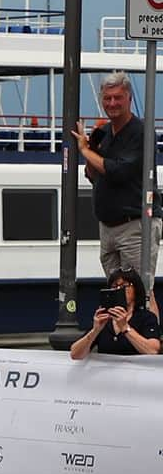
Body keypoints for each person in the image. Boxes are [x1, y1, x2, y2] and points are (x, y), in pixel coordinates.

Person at [70, 268, 163, 474]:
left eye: (125, 285)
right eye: (115, 286)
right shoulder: (104, 321)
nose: (121, 289)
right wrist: (96, 329)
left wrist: (126, 329)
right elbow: (76, 352)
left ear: (135, 290)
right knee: (113, 468)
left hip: (145, 404)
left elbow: (153, 349)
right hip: (113, 404)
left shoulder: (146, 319)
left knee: (148, 467)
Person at [73, 71, 162, 311]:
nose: (112, 103)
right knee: (116, 291)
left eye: (117, 98)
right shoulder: (105, 134)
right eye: (107, 98)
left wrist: (84, 150)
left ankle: (151, 342)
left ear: (129, 99)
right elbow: (93, 175)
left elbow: (118, 171)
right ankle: (124, 336)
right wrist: (92, 147)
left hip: (135, 225)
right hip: (108, 227)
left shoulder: (141, 133)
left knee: (141, 290)